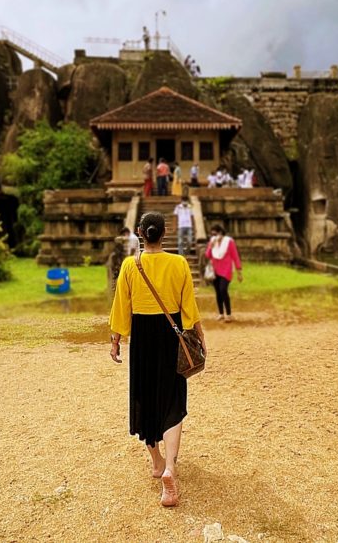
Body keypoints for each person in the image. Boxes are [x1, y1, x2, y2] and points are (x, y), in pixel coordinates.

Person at [109, 212, 205, 508]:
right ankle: (170, 470)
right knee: (172, 401)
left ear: (140, 233)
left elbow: (121, 306)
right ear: (165, 234)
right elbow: (189, 306)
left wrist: (116, 340)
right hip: (171, 336)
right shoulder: (178, 264)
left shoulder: (129, 265)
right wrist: (200, 337)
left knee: (146, 397)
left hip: (142, 339)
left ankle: (156, 462)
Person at [205, 223, 242, 321]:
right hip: (215, 270)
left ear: (221, 233)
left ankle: (229, 314)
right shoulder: (212, 242)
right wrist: (211, 246)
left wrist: (239, 272)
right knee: (218, 292)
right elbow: (208, 255)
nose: (214, 236)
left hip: (226, 270)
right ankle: (221, 313)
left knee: (223, 290)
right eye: (212, 235)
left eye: (215, 234)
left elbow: (235, 256)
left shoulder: (229, 242)